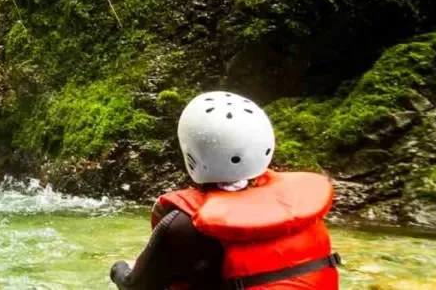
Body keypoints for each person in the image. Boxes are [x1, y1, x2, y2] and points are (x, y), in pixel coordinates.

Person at [110, 91, 341, 290]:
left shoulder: (183, 226)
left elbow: (135, 286)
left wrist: (119, 268)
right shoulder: (298, 205)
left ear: (192, 157)